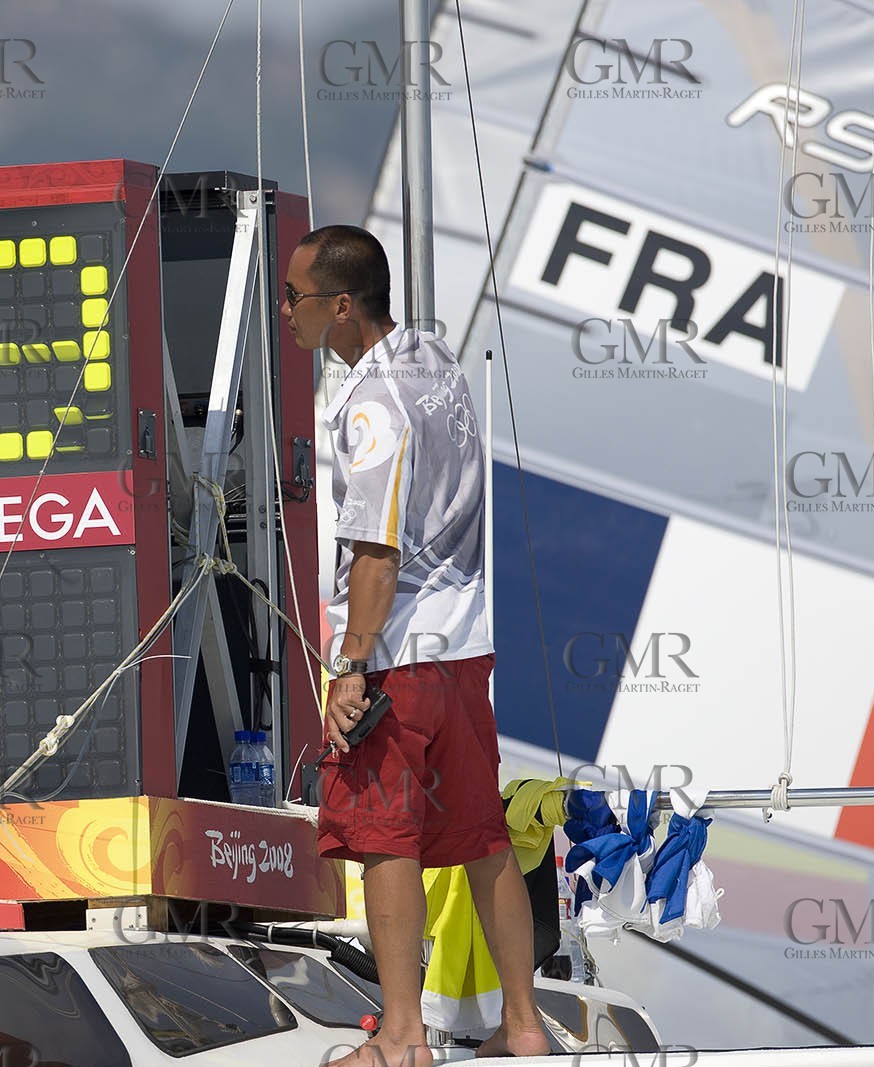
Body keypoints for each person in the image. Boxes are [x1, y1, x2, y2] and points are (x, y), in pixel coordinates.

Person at [284, 225, 547, 1063]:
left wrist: (351, 663)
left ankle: (400, 1038)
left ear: (342, 305)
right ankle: (524, 1025)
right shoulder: (433, 355)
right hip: (466, 647)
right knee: (481, 835)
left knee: (379, 838)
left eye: (296, 298)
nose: (287, 313)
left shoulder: (369, 404)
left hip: (399, 653)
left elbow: (376, 551)